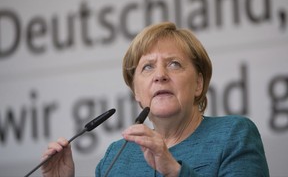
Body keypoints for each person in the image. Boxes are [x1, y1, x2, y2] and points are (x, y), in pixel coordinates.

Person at [41, 22, 269, 177]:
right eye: (148, 67)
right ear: (136, 93)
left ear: (199, 83)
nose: (160, 75)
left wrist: (174, 171)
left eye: (174, 64)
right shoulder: (116, 156)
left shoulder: (234, 134)